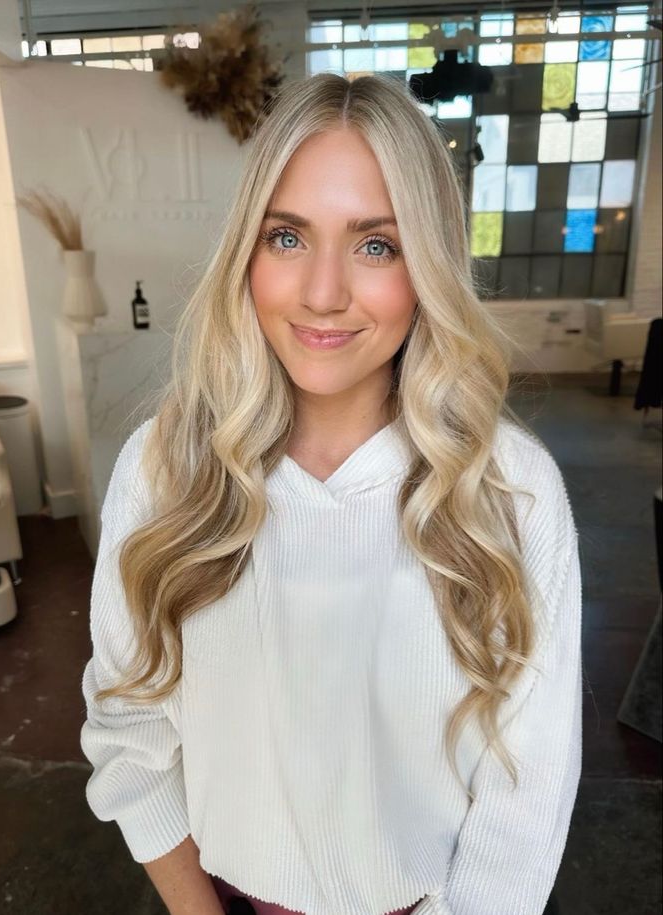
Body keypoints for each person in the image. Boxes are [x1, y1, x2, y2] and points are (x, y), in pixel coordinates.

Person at [80, 73, 582, 915]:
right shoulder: (166, 466)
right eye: (287, 237)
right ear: (247, 248)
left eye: (375, 244)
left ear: (428, 265)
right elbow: (129, 732)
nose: (322, 292)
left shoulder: (512, 491)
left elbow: (525, 794)